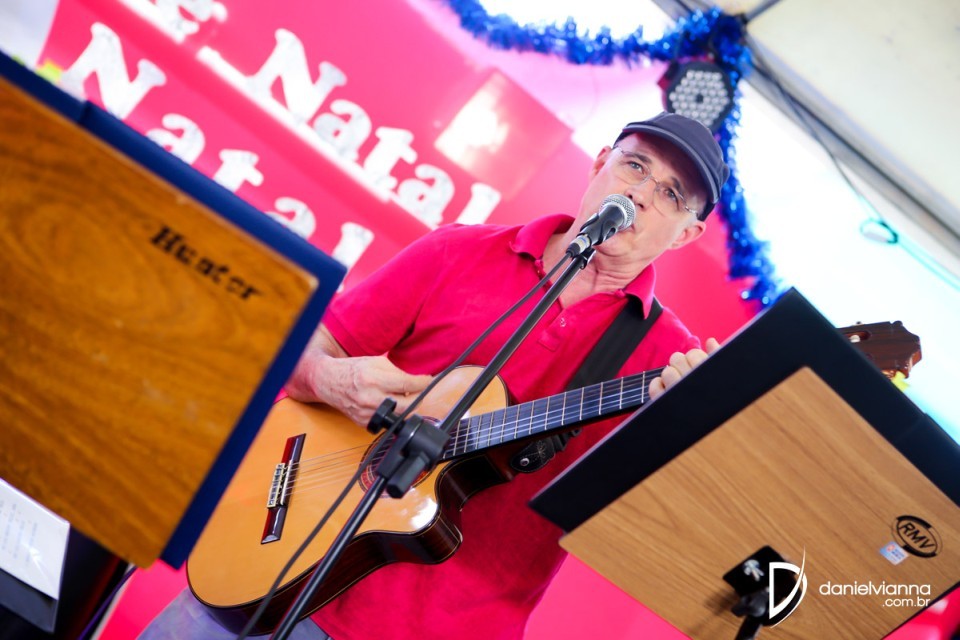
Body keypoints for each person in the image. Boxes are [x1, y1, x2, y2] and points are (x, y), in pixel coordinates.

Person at [139, 111, 728, 640]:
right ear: (600, 164)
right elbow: (306, 353)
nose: (640, 194)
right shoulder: (460, 250)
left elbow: (648, 537)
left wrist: (682, 433)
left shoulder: (670, 361)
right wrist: (328, 379)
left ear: (686, 233)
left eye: (671, 194)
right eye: (634, 166)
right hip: (271, 564)